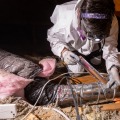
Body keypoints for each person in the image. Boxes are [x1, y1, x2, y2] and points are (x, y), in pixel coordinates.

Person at [47, 0, 120, 89]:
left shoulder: (111, 20)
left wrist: (113, 69)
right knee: (77, 72)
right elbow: (54, 39)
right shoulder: (64, 19)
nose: (94, 38)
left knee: (97, 62)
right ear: (79, 15)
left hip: (95, 47)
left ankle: (94, 54)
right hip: (72, 47)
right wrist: (64, 52)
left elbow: (110, 46)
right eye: (90, 34)